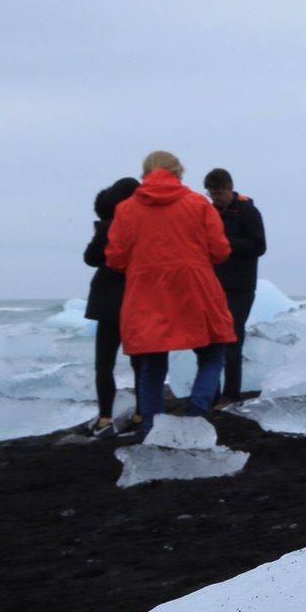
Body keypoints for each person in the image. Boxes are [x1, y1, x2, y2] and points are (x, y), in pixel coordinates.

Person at [106, 152, 236, 431]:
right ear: (179, 172)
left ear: (145, 173)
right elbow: (221, 250)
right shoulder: (198, 204)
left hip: (146, 293)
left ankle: (153, 424)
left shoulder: (126, 209)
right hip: (195, 288)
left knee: (152, 361)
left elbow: (115, 259)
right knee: (212, 354)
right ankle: (197, 415)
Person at [82, 177, 141, 438]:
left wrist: (99, 234)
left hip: (108, 300)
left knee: (104, 362)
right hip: (137, 298)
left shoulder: (108, 227)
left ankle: (105, 417)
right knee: (140, 361)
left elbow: (91, 258)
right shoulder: (143, 225)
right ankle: (141, 412)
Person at [201, 169, 266, 400]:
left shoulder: (248, 212)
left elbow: (259, 246)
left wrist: (225, 243)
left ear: (230, 188)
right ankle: (212, 393)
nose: (215, 199)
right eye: (211, 194)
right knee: (210, 341)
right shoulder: (209, 213)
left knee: (233, 341)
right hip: (212, 286)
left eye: (218, 194)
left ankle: (231, 394)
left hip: (240, 286)